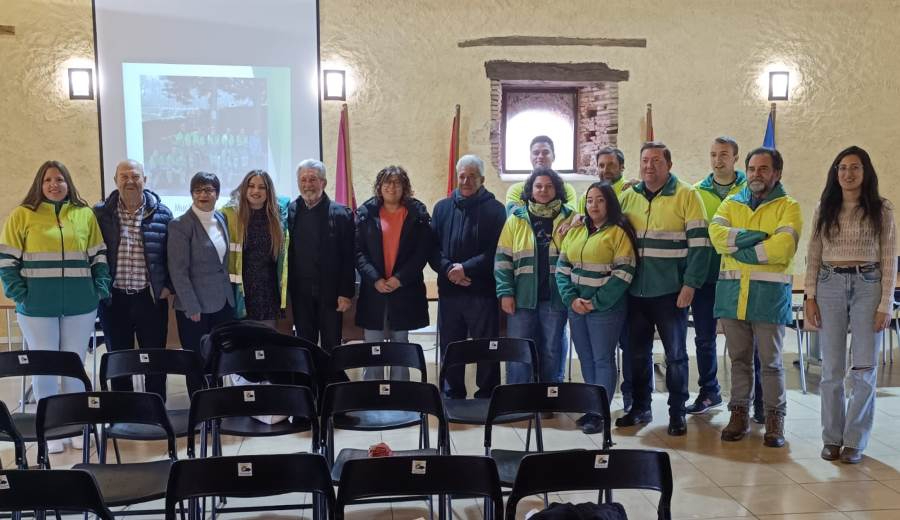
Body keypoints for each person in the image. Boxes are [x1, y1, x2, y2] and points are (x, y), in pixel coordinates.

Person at [0, 160, 111, 454]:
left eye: (60, 179)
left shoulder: (84, 214)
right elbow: (7, 262)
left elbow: (98, 256)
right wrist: (19, 294)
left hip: (81, 304)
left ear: (68, 183)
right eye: (48, 180)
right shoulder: (22, 215)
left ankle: (76, 426)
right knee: (45, 367)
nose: (54, 184)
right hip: (36, 307)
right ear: (40, 183)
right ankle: (49, 430)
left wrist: (98, 290)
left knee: (74, 365)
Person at [804, 146, 896, 463]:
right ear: (835, 172)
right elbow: (813, 253)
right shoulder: (824, 207)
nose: (847, 173)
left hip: (868, 285)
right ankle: (832, 438)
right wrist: (810, 296)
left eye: (854, 167)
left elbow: (889, 258)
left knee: (864, 369)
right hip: (829, 284)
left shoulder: (882, 209)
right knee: (831, 369)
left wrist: (886, 303)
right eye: (842, 167)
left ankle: (855, 440)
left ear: (865, 171)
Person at [616, 142, 711, 436]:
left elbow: (700, 245)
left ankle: (676, 412)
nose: (649, 166)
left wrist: (691, 285)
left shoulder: (687, 195)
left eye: (656, 161)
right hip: (634, 292)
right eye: (644, 160)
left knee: (676, 356)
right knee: (636, 354)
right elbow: (605, 226)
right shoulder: (628, 196)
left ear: (668, 164)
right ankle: (641, 408)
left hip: (671, 292)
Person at [710, 147, 802, 448]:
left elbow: (783, 248)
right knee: (739, 360)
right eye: (751, 168)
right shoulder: (731, 202)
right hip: (733, 296)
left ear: (777, 173)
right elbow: (716, 236)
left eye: (763, 169)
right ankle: (739, 414)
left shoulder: (789, 207)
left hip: (768, 298)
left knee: (772, 363)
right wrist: (760, 237)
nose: (755, 174)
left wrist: (740, 247)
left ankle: (775, 419)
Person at [556, 181, 637, 433]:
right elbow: (562, 269)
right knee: (587, 358)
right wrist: (571, 299)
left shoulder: (618, 232)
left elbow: (625, 271)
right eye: (590, 200)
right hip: (576, 306)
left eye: (600, 200)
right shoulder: (576, 230)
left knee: (603, 359)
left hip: (605, 309)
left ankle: (599, 412)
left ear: (609, 203)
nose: (594, 205)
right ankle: (592, 407)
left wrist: (597, 301)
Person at [93, 159, 173, 399]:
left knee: (155, 358)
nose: (130, 181)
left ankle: (155, 405)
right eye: (124, 176)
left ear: (145, 180)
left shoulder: (162, 213)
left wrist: (167, 286)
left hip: (149, 298)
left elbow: (172, 256)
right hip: (113, 299)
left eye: (135, 176)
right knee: (119, 358)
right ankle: (123, 407)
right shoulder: (100, 214)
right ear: (115, 180)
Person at [430, 155, 506, 399]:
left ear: (482, 179)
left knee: (485, 347)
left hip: (481, 291)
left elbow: (496, 251)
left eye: (472, 176)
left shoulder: (496, 210)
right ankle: (452, 393)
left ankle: (486, 393)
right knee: (452, 347)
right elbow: (431, 248)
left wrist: (465, 269)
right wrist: (449, 270)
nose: (466, 181)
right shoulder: (441, 208)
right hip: (450, 292)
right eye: (462, 176)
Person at [686, 137, 748, 415]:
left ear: (736, 157)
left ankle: (749, 398)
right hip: (708, 276)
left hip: (741, 277)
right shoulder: (697, 192)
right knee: (704, 338)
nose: (717, 160)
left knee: (747, 340)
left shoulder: (750, 189)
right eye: (713, 154)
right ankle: (709, 392)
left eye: (723, 154)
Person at [496, 167, 574, 385]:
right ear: (530, 190)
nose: (543, 190)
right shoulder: (516, 219)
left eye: (549, 186)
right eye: (538, 186)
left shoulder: (571, 218)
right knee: (519, 348)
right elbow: (502, 259)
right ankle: (517, 397)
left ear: (557, 190)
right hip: (522, 298)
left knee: (552, 348)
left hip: (556, 296)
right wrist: (505, 292)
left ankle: (550, 396)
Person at [355, 166, 431, 380]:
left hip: (404, 290)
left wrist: (399, 279)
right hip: (374, 291)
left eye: (397, 182)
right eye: (387, 182)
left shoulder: (418, 214)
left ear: (405, 187)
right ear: (379, 187)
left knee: (400, 345)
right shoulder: (365, 213)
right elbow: (358, 252)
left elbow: (422, 252)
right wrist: (375, 279)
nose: (391, 187)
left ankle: (401, 396)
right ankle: (371, 397)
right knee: (373, 346)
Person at [287, 159, 355, 350]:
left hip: (332, 293)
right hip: (300, 292)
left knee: (331, 344)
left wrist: (345, 293)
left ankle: (331, 380)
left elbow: (349, 257)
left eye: (313, 179)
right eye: (303, 180)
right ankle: (309, 380)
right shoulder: (289, 212)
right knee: (304, 343)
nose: (307, 184)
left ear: (323, 183)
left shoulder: (341, 214)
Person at [592, 146, 640, 411]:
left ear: (622, 167)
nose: (605, 170)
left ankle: (632, 398)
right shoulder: (590, 194)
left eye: (611, 165)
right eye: (601, 165)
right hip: (598, 288)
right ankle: (596, 402)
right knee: (602, 351)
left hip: (626, 281)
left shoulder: (632, 192)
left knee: (630, 345)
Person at [168, 172, 234, 352]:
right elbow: (178, 271)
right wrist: (191, 306)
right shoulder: (180, 225)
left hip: (224, 303)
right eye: (197, 191)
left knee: (220, 360)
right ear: (191, 194)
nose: (203, 195)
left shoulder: (222, 219)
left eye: (208, 190)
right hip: (195, 308)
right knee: (197, 363)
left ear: (217, 194)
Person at [221, 170, 289, 327]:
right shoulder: (230, 215)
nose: (256, 191)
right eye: (251, 186)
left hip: (268, 291)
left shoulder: (279, 216)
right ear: (244, 188)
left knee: (267, 345)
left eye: (262, 187)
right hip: (241, 293)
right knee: (244, 346)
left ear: (268, 191)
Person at [504, 135, 578, 214]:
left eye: (545, 153)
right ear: (530, 157)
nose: (540, 156)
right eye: (536, 153)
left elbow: (569, 217)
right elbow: (514, 216)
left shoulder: (567, 189)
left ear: (553, 157)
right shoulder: (516, 190)